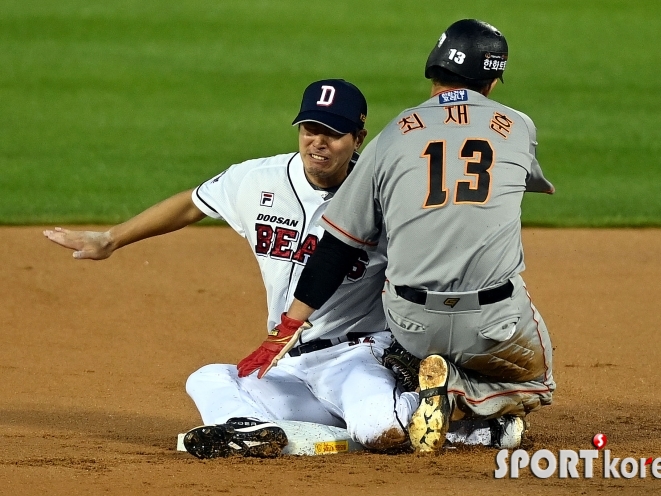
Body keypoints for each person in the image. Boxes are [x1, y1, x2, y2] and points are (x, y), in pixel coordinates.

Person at [43, 79, 420, 458]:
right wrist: (110, 239)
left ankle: (441, 407)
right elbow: (193, 203)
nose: (318, 142)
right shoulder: (258, 180)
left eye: (333, 134)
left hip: (357, 358)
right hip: (289, 365)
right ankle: (252, 431)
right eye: (310, 129)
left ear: (358, 139)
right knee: (207, 378)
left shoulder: (382, 195)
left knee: (380, 432)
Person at [241, 20, 556, 453]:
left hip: (410, 323)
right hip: (492, 323)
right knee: (538, 383)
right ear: (494, 78)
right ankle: (459, 395)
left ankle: (419, 372)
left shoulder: (390, 136)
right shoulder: (519, 127)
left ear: (433, 69)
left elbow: (337, 245)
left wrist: (290, 324)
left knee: (407, 296)